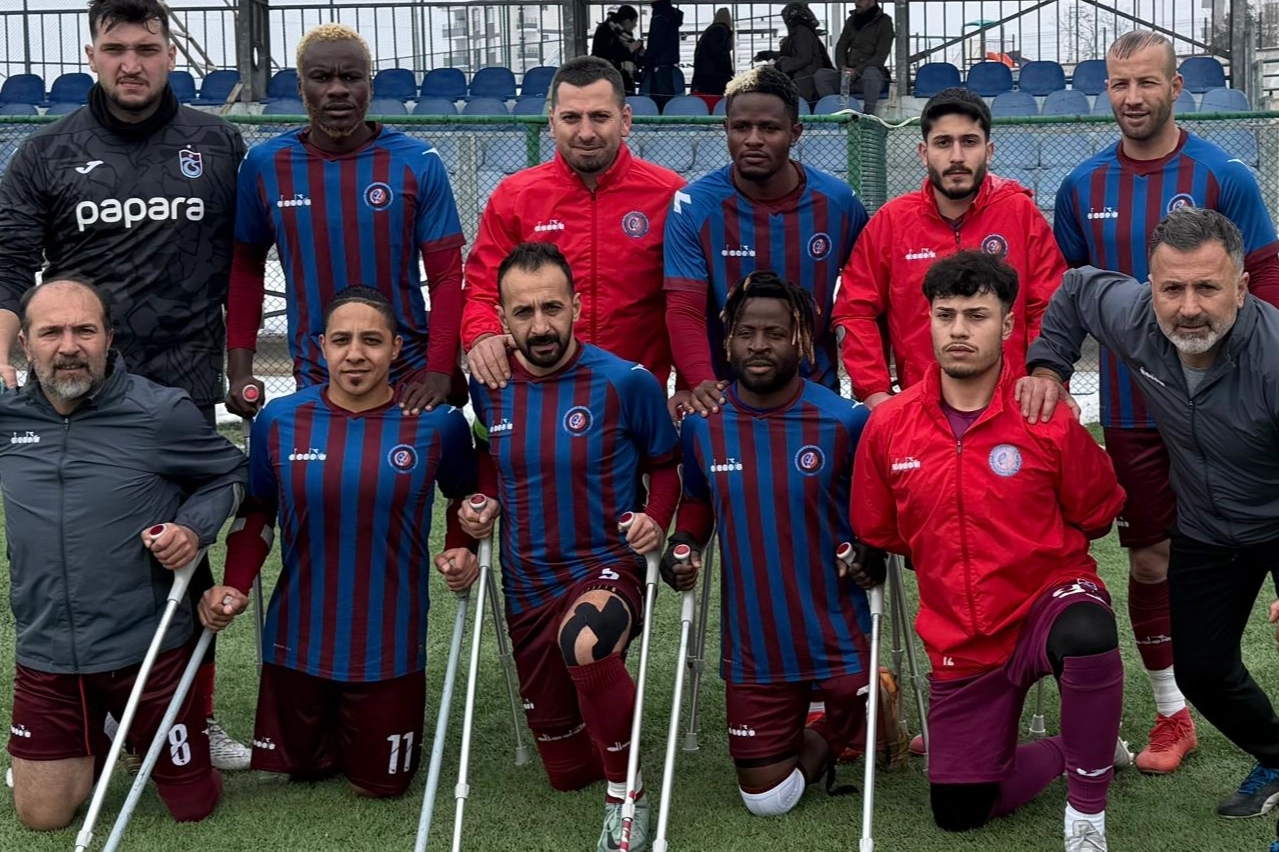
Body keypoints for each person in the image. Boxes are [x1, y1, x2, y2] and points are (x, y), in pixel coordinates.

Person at [0, 0, 250, 770]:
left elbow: (246, 260)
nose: (131, 63)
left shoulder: (217, 143)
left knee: (186, 549)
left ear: (171, 54)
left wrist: (242, 366)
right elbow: (9, 265)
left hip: (183, 382)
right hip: (79, 387)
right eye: (115, 48)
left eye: (146, 48)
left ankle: (191, 716)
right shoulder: (47, 152)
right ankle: (90, 715)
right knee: (80, 549)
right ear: (92, 55)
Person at [1051, 30, 1279, 776]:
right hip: (1134, 407)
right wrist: (1048, 367)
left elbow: (1266, 280)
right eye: (1119, 84)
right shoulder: (1081, 186)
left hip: (1232, 406)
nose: (1132, 97)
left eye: (1147, 82)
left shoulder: (1223, 175)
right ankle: (1173, 712)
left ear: (1176, 87)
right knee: (1150, 561)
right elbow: (1069, 290)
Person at [852, 251, 1128, 852]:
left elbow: (1097, 513)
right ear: (926, 320)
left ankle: (1087, 818)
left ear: (1006, 326)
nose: (958, 330)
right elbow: (883, 530)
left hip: (1047, 601)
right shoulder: (889, 426)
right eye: (945, 314)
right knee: (960, 812)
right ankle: (1081, 746)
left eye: (976, 316)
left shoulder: (1044, 414)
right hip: (960, 633)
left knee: (1087, 630)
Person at [1021, 208, 1279, 840]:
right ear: (1150, 288)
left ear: (1242, 287)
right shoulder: (1131, 313)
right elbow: (1075, 288)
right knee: (1201, 668)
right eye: (1172, 288)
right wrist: (1049, 366)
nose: (1189, 308)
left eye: (1208, 287)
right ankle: (1276, 756)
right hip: (1208, 524)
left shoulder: (1275, 358)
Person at [198, 286, 477, 798]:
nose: (355, 354)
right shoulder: (279, 420)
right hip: (297, 639)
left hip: (388, 645)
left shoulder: (437, 423)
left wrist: (463, 546)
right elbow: (258, 510)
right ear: (322, 345)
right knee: (299, 771)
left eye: (372, 340)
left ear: (395, 348)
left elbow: (467, 494)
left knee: (379, 786)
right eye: (342, 340)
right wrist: (235, 584)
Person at [1, 278, 248, 829]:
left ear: (109, 338)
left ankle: (125, 725)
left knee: (192, 808)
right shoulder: (8, 418)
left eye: (85, 331)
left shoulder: (160, 412)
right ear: (25, 344)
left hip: (147, 651)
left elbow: (232, 472)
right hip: (48, 653)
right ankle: (103, 732)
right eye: (51, 332)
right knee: (43, 816)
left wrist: (192, 529)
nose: (69, 346)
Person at [461, 242, 680, 852]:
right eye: (524, 312)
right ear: (502, 319)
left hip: (604, 566)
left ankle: (626, 797)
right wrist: (482, 503)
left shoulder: (626, 382)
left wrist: (656, 520)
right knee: (566, 770)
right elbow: (488, 460)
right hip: (528, 581)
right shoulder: (489, 385)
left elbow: (666, 467)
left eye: (552, 308)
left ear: (577, 307)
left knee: (586, 642)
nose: (540, 325)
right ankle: (603, 730)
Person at [662, 271, 876, 815]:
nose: (758, 345)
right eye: (746, 333)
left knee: (856, 705)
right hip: (755, 644)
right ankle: (822, 735)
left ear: (801, 341)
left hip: (838, 634)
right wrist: (683, 544)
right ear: (728, 341)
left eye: (775, 333)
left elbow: (873, 517)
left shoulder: (846, 421)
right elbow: (698, 500)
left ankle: (871, 699)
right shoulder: (703, 425)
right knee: (768, 800)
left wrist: (869, 551)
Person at [226, 23, 467, 419]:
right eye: (321, 78)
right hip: (316, 375)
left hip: (407, 377)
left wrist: (440, 372)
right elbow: (246, 268)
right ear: (301, 88)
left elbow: (447, 277)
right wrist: (239, 371)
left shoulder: (418, 162)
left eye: (351, 77)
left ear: (369, 86)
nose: (337, 89)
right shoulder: (264, 165)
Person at [832, 86, 1064, 408]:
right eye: (943, 143)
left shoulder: (1020, 214)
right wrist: (875, 393)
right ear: (923, 152)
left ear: (989, 151)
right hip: (919, 409)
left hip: (1011, 407)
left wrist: (1045, 376)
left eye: (969, 142)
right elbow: (855, 311)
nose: (956, 156)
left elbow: (1049, 306)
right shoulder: (892, 222)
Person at [462, 56, 684, 390]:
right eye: (571, 118)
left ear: (625, 120)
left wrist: (688, 385)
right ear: (552, 123)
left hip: (636, 393)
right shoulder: (515, 196)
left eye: (600, 117)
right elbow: (482, 289)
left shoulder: (669, 194)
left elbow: (689, 302)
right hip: (542, 390)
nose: (586, 132)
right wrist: (484, 335)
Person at [665, 66, 867, 415]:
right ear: (726, 129)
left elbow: (868, 301)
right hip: (723, 398)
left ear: (795, 133)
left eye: (769, 128)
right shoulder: (693, 205)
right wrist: (701, 380)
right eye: (741, 127)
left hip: (818, 394)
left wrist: (871, 386)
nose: (753, 139)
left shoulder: (839, 202)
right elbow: (684, 307)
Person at [822, 0, 894, 114]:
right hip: (848, 74)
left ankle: (868, 115)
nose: (856, 2)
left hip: (869, 75)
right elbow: (841, 46)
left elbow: (880, 56)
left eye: (860, 0)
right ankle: (835, 111)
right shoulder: (852, 20)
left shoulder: (884, 22)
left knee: (871, 74)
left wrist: (857, 71)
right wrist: (842, 67)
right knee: (821, 75)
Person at [754, 3, 832, 106]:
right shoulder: (801, 31)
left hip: (805, 79)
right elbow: (795, 52)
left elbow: (803, 58)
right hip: (804, 78)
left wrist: (780, 65)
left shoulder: (801, 31)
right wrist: (769, 55)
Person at [591, 4, 645, 94]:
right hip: (607, 78)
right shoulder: (604, 30)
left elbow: (632, 60)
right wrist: (629, 49)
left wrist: (640, 54)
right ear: (627, 21)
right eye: (634, 22)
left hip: (625, 80)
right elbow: (602, 55)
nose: (635, 25)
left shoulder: (627, 36)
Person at [641, 0, 684, 108]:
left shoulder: (660, 16)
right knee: (667, 100)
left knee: (657, 100)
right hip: (667, 66)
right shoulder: (670, 14)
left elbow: (656, 42)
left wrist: (646, 60)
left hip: (658, 65)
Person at [691, 8, 734, 99]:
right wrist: (727, 74)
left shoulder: (711, 30)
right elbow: (719, 54)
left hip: (704, 77)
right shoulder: (720, 30)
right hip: (714, 78)